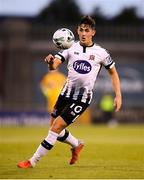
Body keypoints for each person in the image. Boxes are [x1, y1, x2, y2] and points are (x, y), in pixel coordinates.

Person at [18, 15, 122, 168]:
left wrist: (118, 95)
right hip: (65, 94)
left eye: (87, 30)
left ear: (93, 32)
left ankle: (32, 161)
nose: (83, 33)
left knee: (56, 128)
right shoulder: (70, 47)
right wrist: (50, 63)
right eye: (81, 30)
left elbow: (113, 73)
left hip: (82, 99)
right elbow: (55, 65)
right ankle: (77, 144)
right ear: (77, 31)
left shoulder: (101, 53)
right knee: (55, 129)